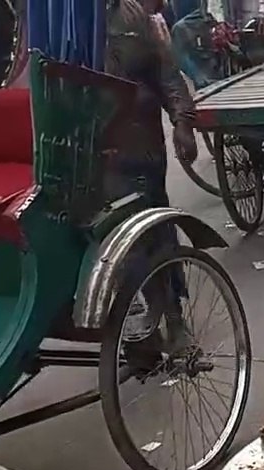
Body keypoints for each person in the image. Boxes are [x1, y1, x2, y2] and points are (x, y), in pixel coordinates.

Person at [106, 0, 197, 349]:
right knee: (112, 249)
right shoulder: (62, 21)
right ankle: (135, 327)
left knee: (155, 233)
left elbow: (166, 73)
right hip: (91, 153)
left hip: (140, 148)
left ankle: (174, 319)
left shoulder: (135, 17)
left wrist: (183, 122)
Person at [170, 0, 223, 89]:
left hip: (222, 77)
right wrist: (199, 78)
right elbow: (182, 57)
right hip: (205, 82)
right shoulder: (180, 28)